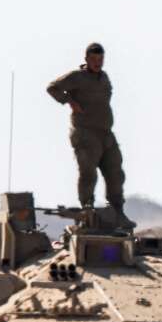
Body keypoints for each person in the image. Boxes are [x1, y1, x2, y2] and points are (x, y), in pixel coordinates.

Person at [46, 42, 128, 221]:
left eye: (101, 59)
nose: (98, 62)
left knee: (116, 172)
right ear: (86, 59)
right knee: (88, 172)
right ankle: (87, 209)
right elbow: (52, 87)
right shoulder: (78, 77)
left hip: (105, 133)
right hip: (85, 132)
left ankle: (117, 211)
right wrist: (69, 101)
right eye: (94, 59)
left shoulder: (104, 77)